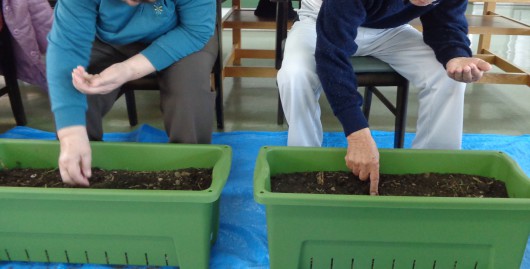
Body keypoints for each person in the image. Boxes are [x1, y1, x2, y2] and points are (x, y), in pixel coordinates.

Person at [277, 0, 492, 195]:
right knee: (295, 76)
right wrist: (357, 133)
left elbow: (446, 23)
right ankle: (305, 167)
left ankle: (434, 173)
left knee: (447, 76)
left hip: (389, 30)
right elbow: (332, 56)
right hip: (320, 22)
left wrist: (456, 54)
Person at [46, 0, 218, 186]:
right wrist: (70, 132)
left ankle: (190, 173)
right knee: (79, 87)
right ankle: (82, 170)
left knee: (188, 94)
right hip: (106, 40)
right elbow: (66, 48)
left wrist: (128, 69)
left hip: (183, 35)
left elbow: (195, 30)